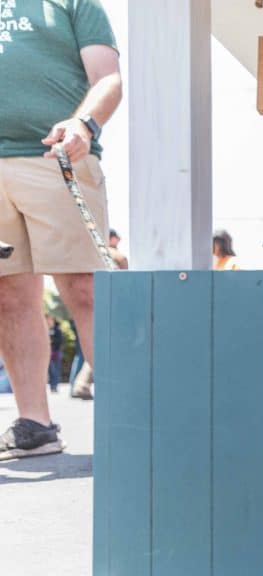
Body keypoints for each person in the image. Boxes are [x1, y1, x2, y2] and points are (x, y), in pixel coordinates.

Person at [0, 1, 122, 460]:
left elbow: (107, 76)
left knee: (85, 287)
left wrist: (84, 123)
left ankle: (127, 418)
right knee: (7, 295)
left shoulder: (74, 3)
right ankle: (35, 424)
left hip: (57, 157)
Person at [46, 315, 64, 393]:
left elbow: (60, 341)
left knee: (56, 370)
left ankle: (55, 385)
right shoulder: (45, 330)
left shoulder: (57, 330)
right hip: (48, 354)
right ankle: (52, 385)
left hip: (55, 353)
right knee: (50, 371)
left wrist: (52, 342)